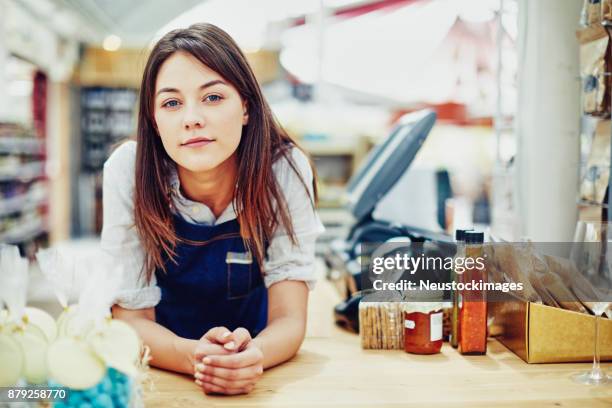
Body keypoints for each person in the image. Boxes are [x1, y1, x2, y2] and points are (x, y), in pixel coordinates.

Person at [101, 23, 324, 395]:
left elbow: (289, 317)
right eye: (172, 103)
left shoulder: (283, 169)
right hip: (163, 370)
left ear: (247, 108)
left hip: (259, 368)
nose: (192, 118)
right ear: (154, 122)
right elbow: (130, 322)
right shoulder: (129, 169)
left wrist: (255, 356)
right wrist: (194, 358)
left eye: (213, 97)